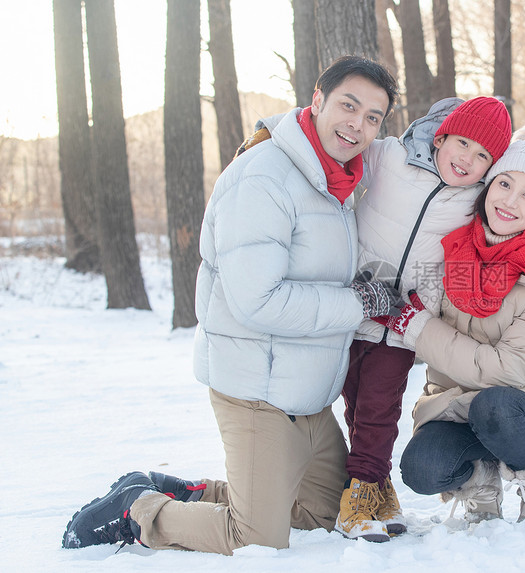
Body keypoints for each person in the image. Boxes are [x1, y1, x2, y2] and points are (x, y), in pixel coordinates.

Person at [61, 56, 402, 555]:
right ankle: (138, 511)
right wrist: (357, 304)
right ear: (317, 100)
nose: (359, 124)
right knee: (257, 536)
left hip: (305, 394)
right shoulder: (264, 177)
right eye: (349, 106)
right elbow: (257, 301)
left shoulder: (336, 183)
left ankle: (187, 492)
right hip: (256, 389)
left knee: (325, 515)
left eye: (373, 117)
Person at [237, 99, 525, 540]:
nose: (468, 160)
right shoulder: (410, 174)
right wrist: (272, 132)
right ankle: (460, 477)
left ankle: (376, 487)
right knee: (355, 411)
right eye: (463, 144)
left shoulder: (507, 226)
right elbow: (333, 140)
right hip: (362, 305)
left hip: (443, 342)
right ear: (443, 137)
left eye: (483, 156)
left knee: (390, 409)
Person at [385, 124, 525, 525]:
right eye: (504, 184)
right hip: (455, 401)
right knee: (422, 469)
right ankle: (479, 479)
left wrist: (416, 327)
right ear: (487, 186)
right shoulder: (454, 248)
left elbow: (510, 370)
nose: (510, 202)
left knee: (494, 406)